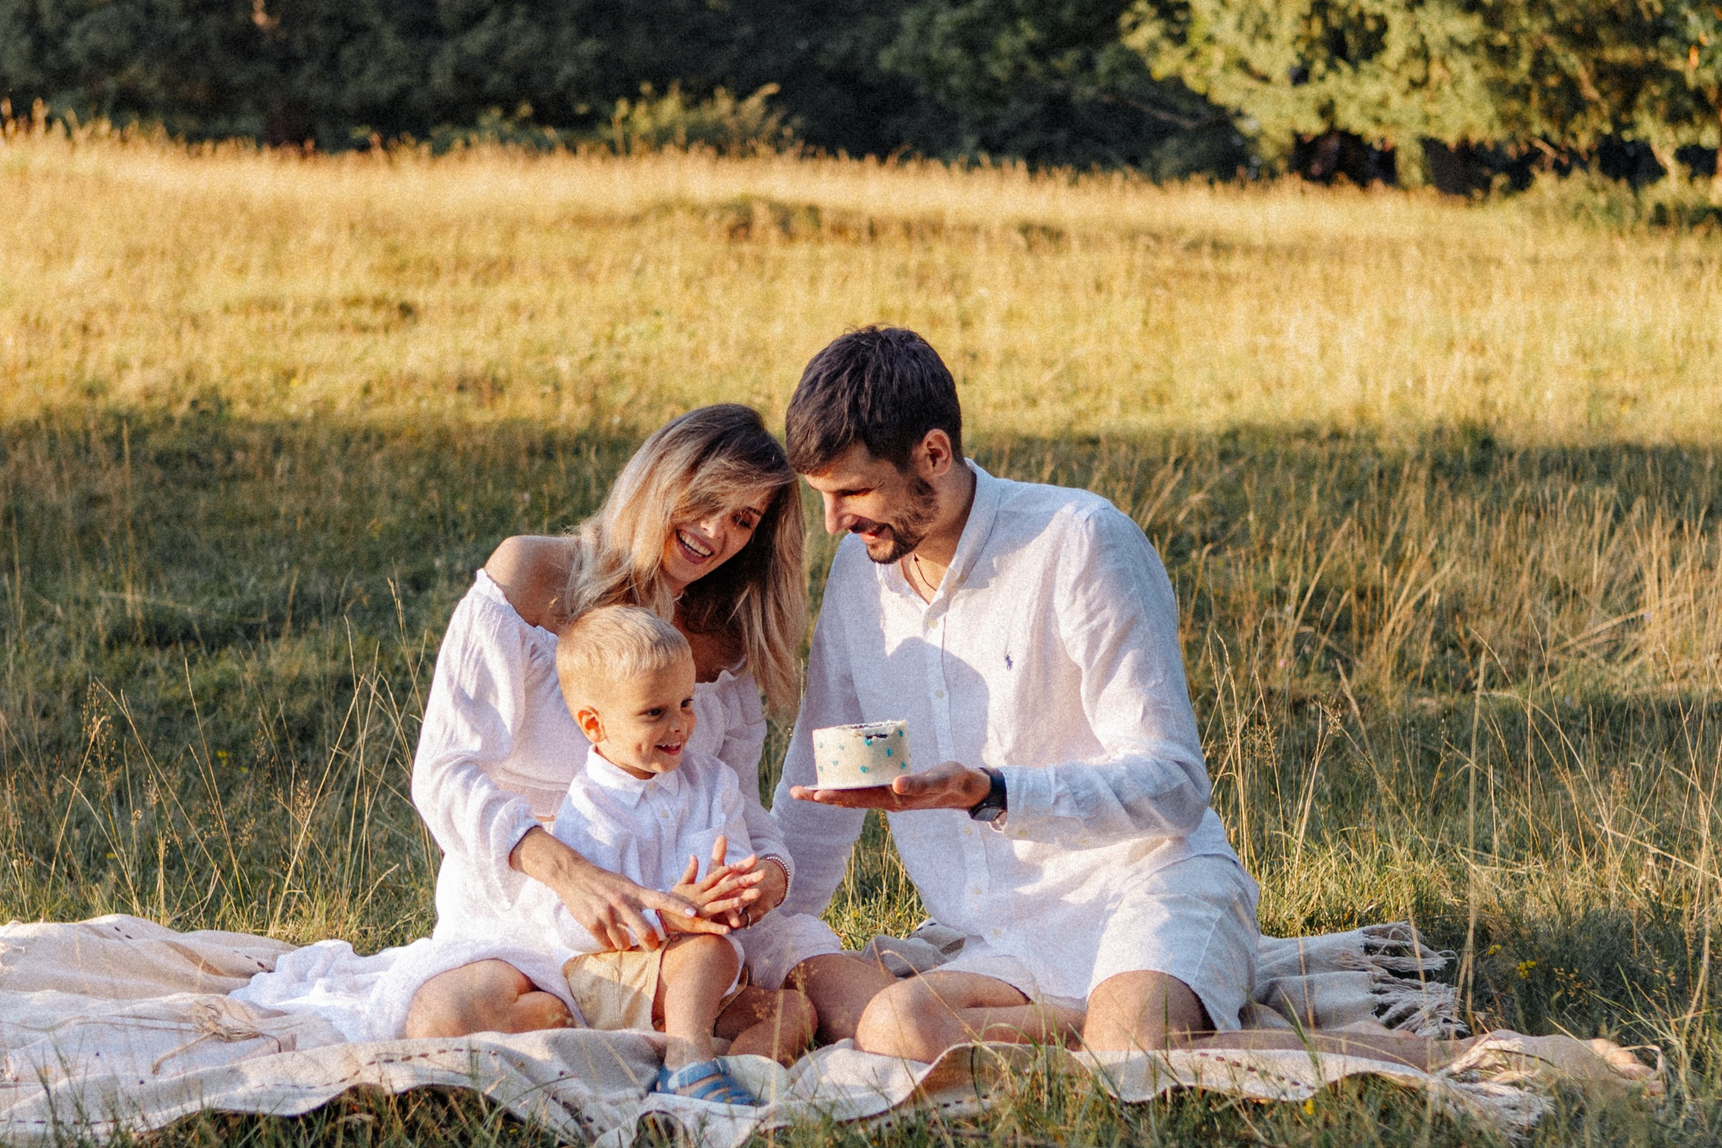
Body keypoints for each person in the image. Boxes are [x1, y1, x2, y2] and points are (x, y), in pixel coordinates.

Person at [235, 404, 849, 1059]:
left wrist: (767, 877)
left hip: (665, 926)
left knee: (783, 1002)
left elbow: (742, 807)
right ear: (658, 479)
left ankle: (664, 1044)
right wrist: (570, 872)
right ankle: (609, 1029)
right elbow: (442, 773)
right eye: (705, 500)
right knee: (445, 1020)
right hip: (527, 909)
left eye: (742, 519)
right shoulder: (532, 575)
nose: (713, 531)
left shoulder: (725, 637)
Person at [774, 326, 1266, 1059]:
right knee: (889, 1023)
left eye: (853, 491)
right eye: (823, 495)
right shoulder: (857, 576)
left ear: (933, 455)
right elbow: (817, 792)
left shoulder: (1081, 540)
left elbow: (1176, 784)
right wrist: (767, 924)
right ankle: (1082, 1029)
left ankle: (1123, 1022)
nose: (834, 521)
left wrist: (994, 791)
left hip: (1148, 887)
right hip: (1005, 941)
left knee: (1131, 1042)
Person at [513, 606, 768, 1102]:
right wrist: (669, 913)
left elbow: (735, 857)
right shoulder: (589, 809)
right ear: (594, 724)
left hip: (698, 978)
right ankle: (689, 1060)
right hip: (615, 976)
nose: (680, 726)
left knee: (793, 1013)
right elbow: (571, 926)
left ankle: (732, 1080)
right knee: (708, 951)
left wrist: (733, 892)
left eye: (687, 703)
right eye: (655, 712)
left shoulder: (712, 781)